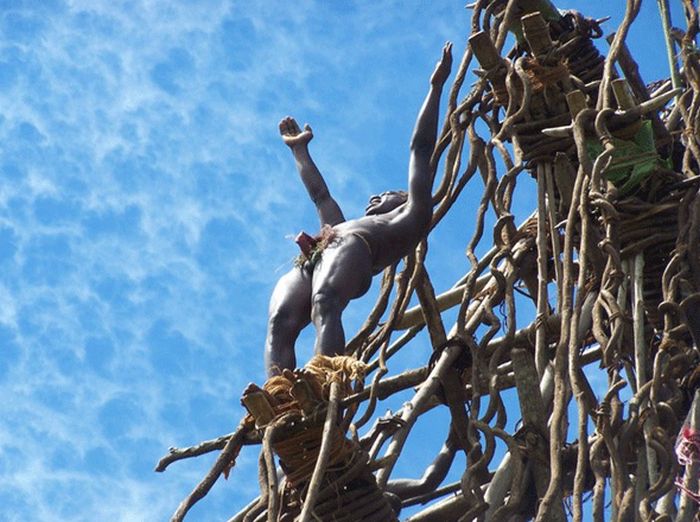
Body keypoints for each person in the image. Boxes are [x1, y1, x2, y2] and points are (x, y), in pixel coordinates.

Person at [265, 42, 453, 377]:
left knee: (324, 302)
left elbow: (420, 148)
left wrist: (436, 87)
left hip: (353, 254)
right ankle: (279, 395)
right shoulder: (341, 224)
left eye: (386, 194)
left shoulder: (412, 216)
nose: (376, 196)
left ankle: (322, 377)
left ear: (403, 198)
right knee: (280, 322)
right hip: (321, 255)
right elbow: (320, 196)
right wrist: (299, 151)